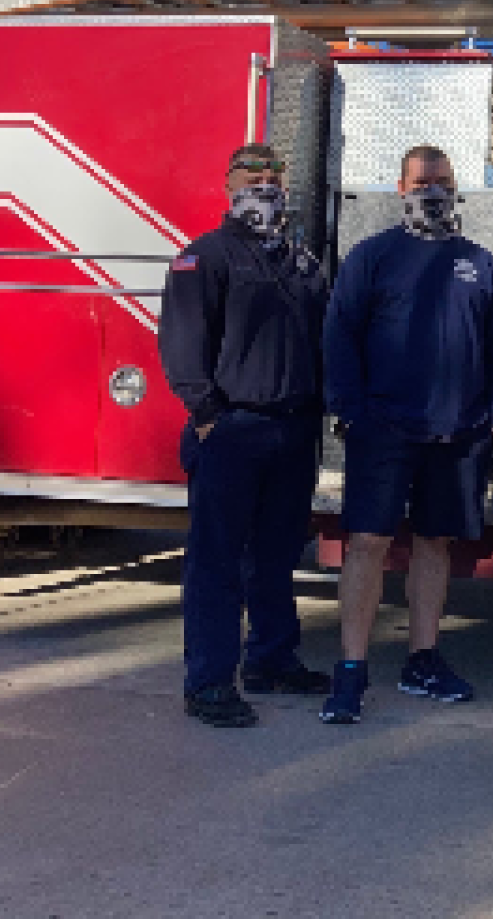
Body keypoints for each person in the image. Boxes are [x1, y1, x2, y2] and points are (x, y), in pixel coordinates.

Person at [319, 145, 493, 724]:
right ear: (400, 187)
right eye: (422, 181)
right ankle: (351, 669)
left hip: (458, 435)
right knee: (368, 544)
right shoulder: (372, 256)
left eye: (444, 180)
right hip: (383, 428)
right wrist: (350, 411)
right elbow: (339, 334)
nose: (433, 190)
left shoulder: (481, 263)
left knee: (435, 545)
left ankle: (422, 658)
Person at [160, 143, 330, 728]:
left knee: (277, 557)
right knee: (217, 563)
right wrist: (209, 415)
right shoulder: (204, 257)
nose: (264, 184)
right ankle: (208, 682)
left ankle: (272, 660)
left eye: (272, 175)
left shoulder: (301, 263)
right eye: (251, 175)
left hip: (293, 430)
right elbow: (182, 347)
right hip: (232, 429)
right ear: (228, 185)